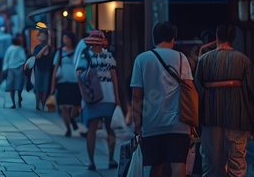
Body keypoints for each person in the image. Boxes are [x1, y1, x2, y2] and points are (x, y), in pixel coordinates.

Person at [194, 24, 254, 177]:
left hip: (210, 119)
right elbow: (253, 94)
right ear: (233, 39)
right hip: (237, 118)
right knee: (236, 165)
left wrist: (195, 121)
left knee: (211, 166)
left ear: (217, 38)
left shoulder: (204, 60)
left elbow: (197, 92)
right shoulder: (243, 60)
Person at [131, 21, 194, 177]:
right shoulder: (181, 58)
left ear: (154, 38)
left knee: (155, 165)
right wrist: (192, 122)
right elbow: (190, 90)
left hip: (152, 124)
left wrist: (137, 127)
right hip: (179, 123)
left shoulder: (142, 59)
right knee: (179, 164)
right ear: (173, 39)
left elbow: (136, 95)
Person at [76, 30, 121, 170]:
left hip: (104, 96)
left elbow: (114, 77)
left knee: (105, 127)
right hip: (97, 95)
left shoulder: (103, 55)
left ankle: (105, 160)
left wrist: (117, 98)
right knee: (96, 128)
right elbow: (80, 74)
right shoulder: (88, 55)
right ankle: (96, 161)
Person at [51, 32, 82, 137]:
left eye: (68, 38)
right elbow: (55, 69)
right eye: (64, 38)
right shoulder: (59, 52)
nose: (66, 40)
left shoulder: (77, 52)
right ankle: (68, 128)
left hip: (74, 81)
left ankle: (72, 118)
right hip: (62, 82)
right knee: (63, 106)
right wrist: (53, 86)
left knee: (75, 105)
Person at [31, 24, 56, 111]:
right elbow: (37, 56)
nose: (42, 37)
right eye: (40, 35)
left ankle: (43, 103)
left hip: (48, 69)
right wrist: (45, 47)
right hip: (39, 68)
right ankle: (37, 103)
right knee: (38, 87)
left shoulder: (51, 48)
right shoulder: (37, 47)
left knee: (45, 87)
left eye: (44, 35)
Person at [3, 35, 27, 108]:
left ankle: (13, 103)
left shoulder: (9, 49)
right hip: (19, 68)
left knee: (11, 87)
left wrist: (4, 69)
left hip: (11, 69)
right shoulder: (21, 49)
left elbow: (6, 59)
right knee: (19, 86)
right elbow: (24, 58)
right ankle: (19, 98)